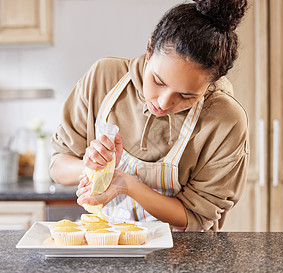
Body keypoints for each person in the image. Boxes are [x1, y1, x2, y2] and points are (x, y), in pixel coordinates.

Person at [50, 0, 249, 232]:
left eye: (186, 96)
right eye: (158, 81)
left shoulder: (225, 120)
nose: (163, 103)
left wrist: (128, 186)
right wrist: (93, 168)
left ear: (210, 85)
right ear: (149, 50)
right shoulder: (103, 78)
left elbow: (197, 218)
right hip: (108, 246)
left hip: (182, 258)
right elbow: (58, 167)